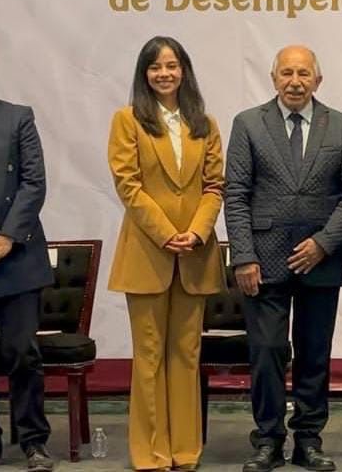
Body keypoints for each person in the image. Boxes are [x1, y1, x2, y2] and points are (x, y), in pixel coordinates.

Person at [225, 45, 342, 472]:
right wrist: (243, 256)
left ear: (318, 80)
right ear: (274, 78)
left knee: (315, 353)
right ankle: (267, 440)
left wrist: (325, 243)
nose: (295, 82)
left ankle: (308, 441)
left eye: (303, 74)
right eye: (287, 73)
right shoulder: (248, 123)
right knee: (267, 351)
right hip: (263, 261)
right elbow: (236, 194)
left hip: (321, 259)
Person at [107, 36, 225, 472]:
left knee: (186, 354)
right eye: (155, 67)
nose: (164, 73)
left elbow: (214, 186)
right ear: (144, 74)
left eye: (172, 66)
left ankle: (186, 451)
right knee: (149, 356)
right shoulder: (127, 120)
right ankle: (151, 453)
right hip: (147, 253)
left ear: (184, 71)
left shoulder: (204, 123)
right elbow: (128, 185)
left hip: (194, 253)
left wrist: (195, 232)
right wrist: (166, 233)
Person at [0, 38, 55, 472]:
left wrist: (5, 239)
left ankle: (34, 441)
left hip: (15, 259)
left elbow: (34, 184)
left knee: (22, 353)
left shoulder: (17, 118)